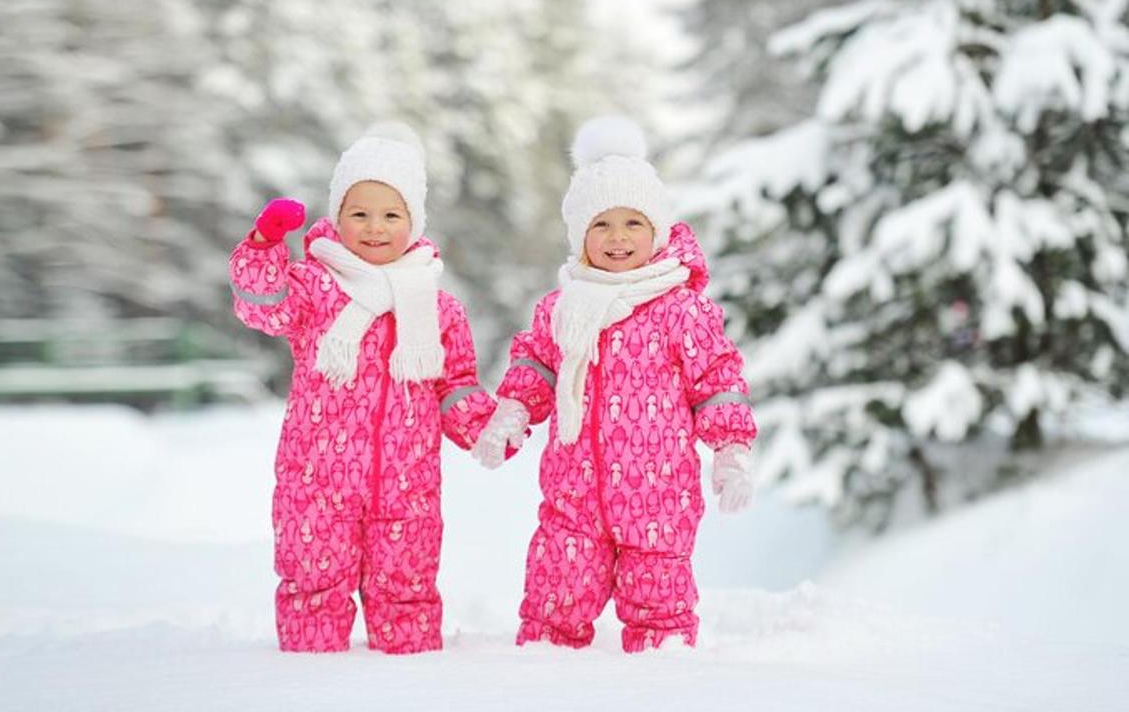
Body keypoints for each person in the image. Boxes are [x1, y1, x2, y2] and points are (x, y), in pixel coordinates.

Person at [472, 116, 758, 652]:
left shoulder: (680, 309)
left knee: (660, 610)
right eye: (601, 225)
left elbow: (717, 378)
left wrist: (731, 448)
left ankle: (658, 682)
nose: (618, 238)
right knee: (555, 597)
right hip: (573, 495)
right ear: (581, 237)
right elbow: (534, 366)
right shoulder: (562, 307)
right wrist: (511, 412)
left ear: (657, 231)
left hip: (659, 499)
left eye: (633, 224)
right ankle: (541, 680)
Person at [229, 121, 496, 654]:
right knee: (312, 580)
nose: (375, 227)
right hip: (317, 478)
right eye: (359, 213)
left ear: (413, 222)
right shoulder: (314, 288)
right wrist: (263, 246)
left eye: (391, 215)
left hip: (407, 483)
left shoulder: (437, 307)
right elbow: (263, 306)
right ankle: (309, 674)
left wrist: (488, 428)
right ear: (338, 217)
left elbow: (455, 383)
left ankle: (408, 679)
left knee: (406, 587)